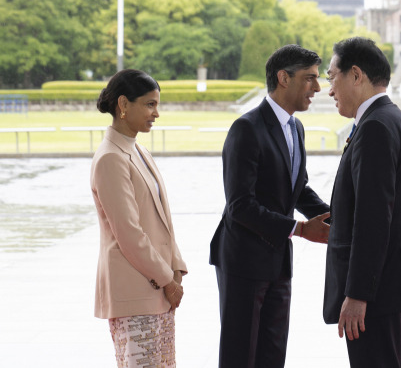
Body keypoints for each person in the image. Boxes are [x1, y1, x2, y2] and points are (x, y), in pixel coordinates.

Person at [209, 44, 331, 368]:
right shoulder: (246, 129)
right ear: (283, 78)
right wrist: (302, 229)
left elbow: (297, 188)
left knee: (272, 356)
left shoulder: (296, 127)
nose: (318, 88)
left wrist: (336, 218)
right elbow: (240, 205)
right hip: (243, 262)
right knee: (241, 357)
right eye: (310, 79)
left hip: (279, 262)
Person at [323, 37, 401, 368]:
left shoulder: (376, 128)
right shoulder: (391, 119)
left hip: (376, 293)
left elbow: (373, 220)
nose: (329, 89)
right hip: (387, 286)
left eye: (331, 77)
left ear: (356, 75)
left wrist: (357, 295)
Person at [90, 69, 188, 367]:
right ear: (123, 105)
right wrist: (167, 280)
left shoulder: (138, 150)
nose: (156, 113)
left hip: (157, 289)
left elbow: (162, 219)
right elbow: (129, 233)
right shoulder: (110, 158)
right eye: (149, 104)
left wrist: (176, 270)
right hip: (135, 290)